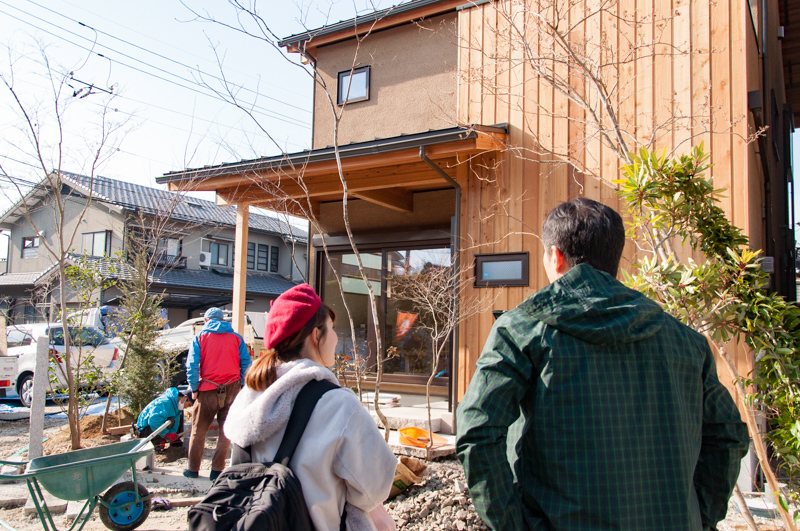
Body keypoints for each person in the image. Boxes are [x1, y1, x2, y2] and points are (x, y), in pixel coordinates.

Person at [456, 197, 749, 530]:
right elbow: (727, 435)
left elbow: (477, 431)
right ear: (615, 261)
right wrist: (701, 516)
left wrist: (512, 524)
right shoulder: (686, 341)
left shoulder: (523, 330)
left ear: (555, 256)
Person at [224, 284, 398, 531]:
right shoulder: (339, 405)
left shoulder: (250, 397)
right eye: (332, 328)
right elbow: (375, 488)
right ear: (316, 335)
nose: (335, 337)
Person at [184, 307, 251, 479]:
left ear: (206, 320)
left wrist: (194, 388)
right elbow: (246, 363)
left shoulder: (200, 337)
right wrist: (243, 386)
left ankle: (193, 470)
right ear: (222, 320)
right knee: (226, 431)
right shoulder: (236, 338)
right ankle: (217, 470)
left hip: (207, 389)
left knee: (198, 431)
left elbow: (192, 365)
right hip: (231, 389)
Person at [135, 387, 191, 452]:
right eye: (188, 405)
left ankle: (172, 442)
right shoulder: (164, 402)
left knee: (176, 418)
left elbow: (176, 423)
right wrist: (165, 434)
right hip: (145, 432)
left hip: (154, 430)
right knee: (170, 420)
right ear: (184, 398)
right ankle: (155, 444)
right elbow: (154, 421)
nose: (186, 407)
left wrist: (172, 435)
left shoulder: (176, 407)